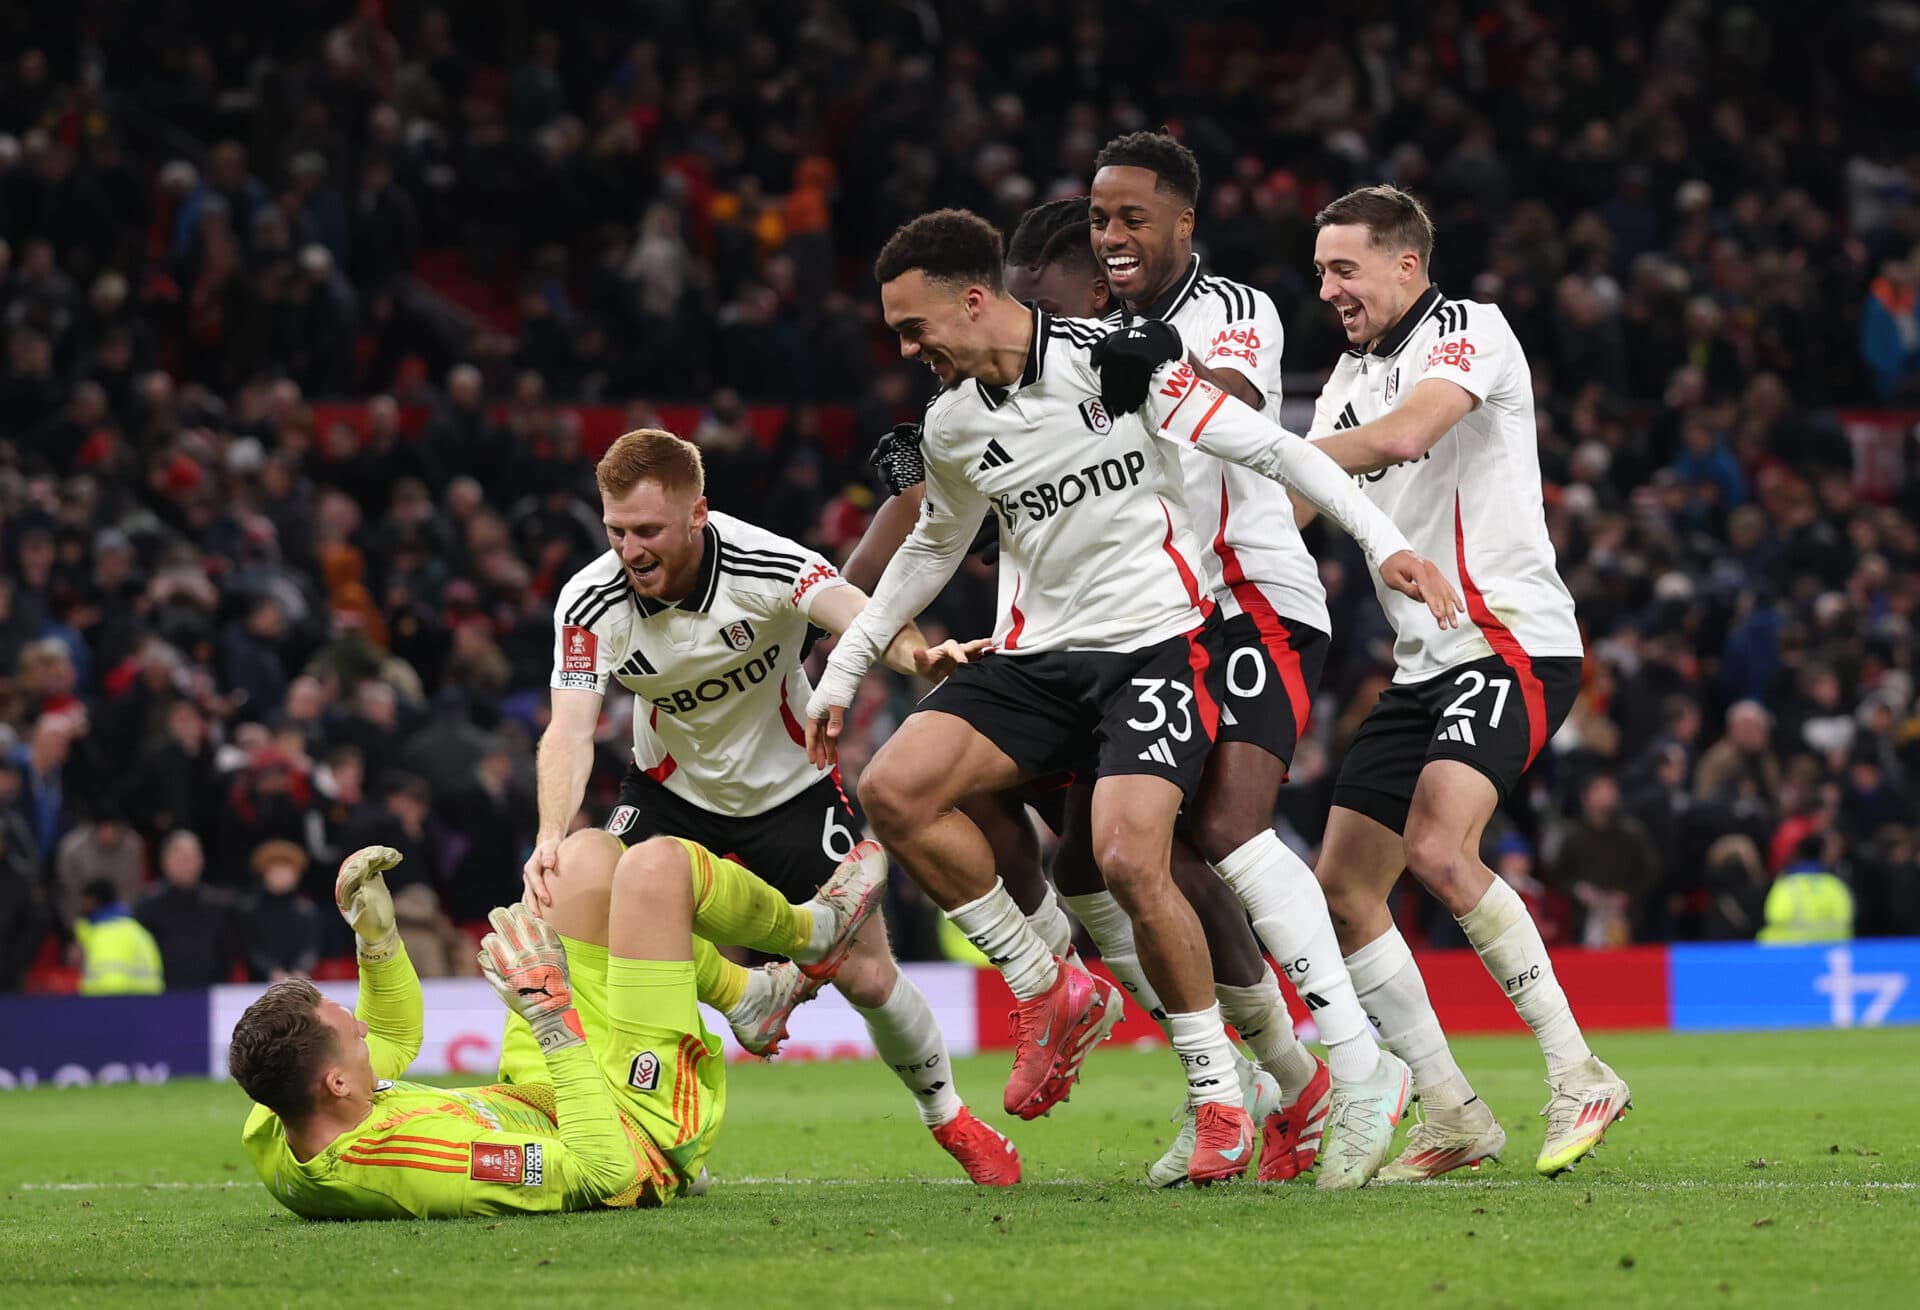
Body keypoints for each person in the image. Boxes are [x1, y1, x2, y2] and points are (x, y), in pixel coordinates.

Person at [808, 208, 1456, 1187]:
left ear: (976, 300)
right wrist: (847, 669)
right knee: (899, 787)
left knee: (1127, 855)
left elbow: (1271, 448)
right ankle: (1048, 982)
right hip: (1039, 658)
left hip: (1156, 647)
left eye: (913, 327)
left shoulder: (1119, 363)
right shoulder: (953, 422)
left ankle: (1247, 1091)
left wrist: (1382, 542)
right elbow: (936, 544)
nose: (906, 350)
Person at [1129, 184, 1630, 1181]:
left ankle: (1579, 1070)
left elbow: (1408, 435)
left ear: (1407, 263)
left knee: (1445, 848)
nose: (1329, 290)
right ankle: (1451, 1108)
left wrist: (1277, 452)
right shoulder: (1348, 383)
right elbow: (1295, 509)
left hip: (1510, 638)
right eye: (1319, 272)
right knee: (1348, 887)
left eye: (1345, 269)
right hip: (1420, 664)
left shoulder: (1469, 332)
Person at [518, 428, 1019, 1185]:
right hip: (668, 793)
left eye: (648, 530)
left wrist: (918, 657)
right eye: (616, 531)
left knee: (868, 977)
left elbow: (860, 613)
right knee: (590, 900)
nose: (631, 549)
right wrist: (549, 834)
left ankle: (947, 1115)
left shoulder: (766, 563)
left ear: (697, 514)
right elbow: (569, 726)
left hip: (792, 792)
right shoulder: (590, 600)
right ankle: (652, 1127)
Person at [1082, 131, 1395, 1186]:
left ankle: (1359, 1068)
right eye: (1099, 217)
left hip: (1252, 596)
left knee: (1225, 827)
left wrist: (1152, 365)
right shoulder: (1098, 331)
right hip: (1155, 618)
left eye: (1133, 216)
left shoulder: (1235, 308)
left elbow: (1241, 401)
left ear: (1182, 222)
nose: (1113, 235)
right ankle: (1256, 1078)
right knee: (1150, 854)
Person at [232, 840, 881, 1219]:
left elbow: (391, 1044)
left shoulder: (279, 1115)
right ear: (335, 1080)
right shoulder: (429, 1164)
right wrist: (548, 1014)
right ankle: (811, 932)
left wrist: (377, 939)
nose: (365, 1027)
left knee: (582, 858)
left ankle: (750, 998)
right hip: (636, 1126)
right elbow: (602, 1170)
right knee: (656, 870)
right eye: (353, 1034)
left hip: (546, 1090)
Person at [72, 877, 164, 994]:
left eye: (84, 899)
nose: (81, 904)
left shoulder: (109, 934)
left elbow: (112, 989)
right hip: (146, 1007)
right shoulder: (130, 927)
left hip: (126, 1009)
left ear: (93, 900)